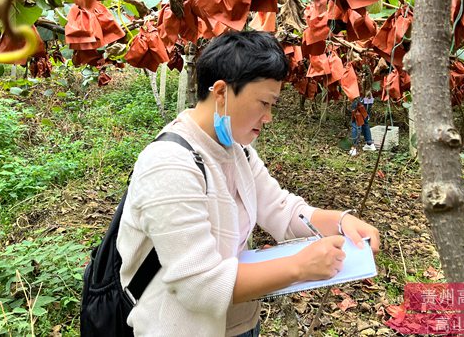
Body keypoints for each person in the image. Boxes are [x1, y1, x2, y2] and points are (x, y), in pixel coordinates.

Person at [118, 31, 380, 336]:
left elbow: (280, 208)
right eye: (263, 103)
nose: (268, 117)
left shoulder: (237, 151)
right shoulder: (168, 164)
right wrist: (297, 267)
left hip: (240, 324)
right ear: (220, 93)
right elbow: (199, 286)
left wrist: (339, 222)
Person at [349, 92, 376, 156]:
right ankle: (369, 144)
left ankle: (354, 148)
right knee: (365, 121)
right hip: (369, 98)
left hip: (359, 98)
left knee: (356, 122)